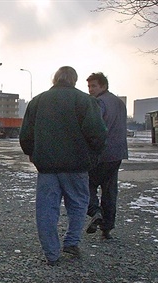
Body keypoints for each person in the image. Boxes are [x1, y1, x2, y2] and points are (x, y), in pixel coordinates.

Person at [19, 66, 107, 265]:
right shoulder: (86, 101)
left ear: (55, 79)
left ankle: (51, 253)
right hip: (76, 166)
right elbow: (98, 134)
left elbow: (25, 135)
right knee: (77, 204)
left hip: (47, 167)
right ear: (74, 80)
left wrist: (32, 154)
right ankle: (71, 242)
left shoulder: (37, 101)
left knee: (46, 210)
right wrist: (92, 157)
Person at [85, 72, 129, 239]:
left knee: (87, 184)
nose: (90, 90)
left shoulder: (98, 103)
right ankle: (107, 227)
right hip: (117, 153)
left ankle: (95, 212)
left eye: (93, 86)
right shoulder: (119, 103)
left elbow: (95, 127)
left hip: (101, 153)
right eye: (89, 86)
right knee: (110, 190)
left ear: (103, 86)